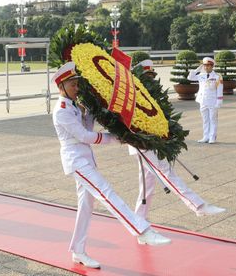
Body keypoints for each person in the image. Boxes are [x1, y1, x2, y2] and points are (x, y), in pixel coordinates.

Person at [52, 61, 171, 269]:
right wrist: (117, 138)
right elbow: (84, 135)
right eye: (72, 85)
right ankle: (142, 230)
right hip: (76, 161)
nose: (76, 88)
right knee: (106, 192)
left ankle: (78, 251)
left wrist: (92, 111)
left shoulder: (74, 104)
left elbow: (88, 125)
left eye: (77, 84)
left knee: (86, 206)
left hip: (85, 159)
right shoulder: (61, 110)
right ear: (61, 87)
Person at [131, 60, 225, 219]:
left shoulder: (151, 95)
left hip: (151, 142)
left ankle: (138, 220)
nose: (151, 80)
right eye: (147, 77)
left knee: (147, 185)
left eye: (152, 77)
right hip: (141, 143)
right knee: (166, 171)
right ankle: (198, 205)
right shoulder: (135, 95)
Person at [188, 57, 223, 144]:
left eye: (208, 66)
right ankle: (205, 136)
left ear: (212, 66)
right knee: (205, 120)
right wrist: (197, 70)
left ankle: (212, 137)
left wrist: (219, 101)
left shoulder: (217, 77)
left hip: (212, 101)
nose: (206, 67)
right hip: (203, 101)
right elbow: (190, 78)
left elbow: (219, 89)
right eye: (205, 66)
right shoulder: (201, 76)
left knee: (213, 119)